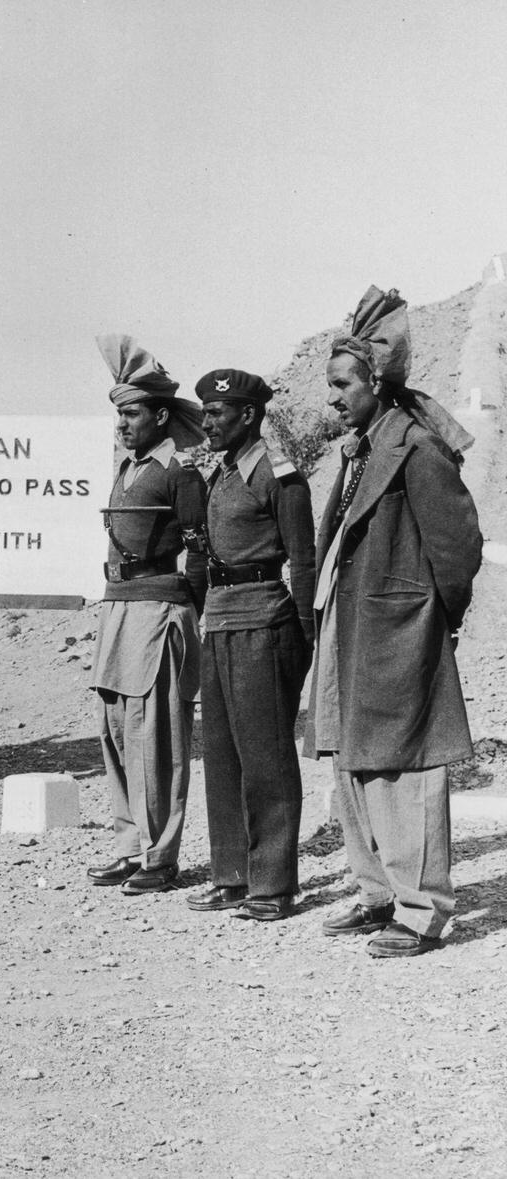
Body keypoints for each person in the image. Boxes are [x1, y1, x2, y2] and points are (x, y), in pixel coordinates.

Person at [305, 286, 481, 957]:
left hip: (400, 628)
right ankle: (377, 891)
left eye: (342, 383)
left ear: (377, 381)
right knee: (354, 758)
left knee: (407, 766)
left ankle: (425, 908)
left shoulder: (414, 447)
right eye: (329, 384)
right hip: (354, 626)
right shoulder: (362, 446)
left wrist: (433, 620)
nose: (332, 396)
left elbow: (458, 548)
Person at [187, 370, 314, 921]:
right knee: (222, 756)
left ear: (248, 415)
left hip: (265, 621)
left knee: (266, 758)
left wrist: (308, 635)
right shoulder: (221, 472)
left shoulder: (278, 475)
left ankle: (273, 886)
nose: (207, 422)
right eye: (205, 413)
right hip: (222, 619)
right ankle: (231, 876)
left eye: (217, 413)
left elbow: (302, 559)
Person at [88, 335, 208, 894]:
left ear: (161, 414)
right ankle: (130, 846)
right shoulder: (130, 468)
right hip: (119, 610)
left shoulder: (179, 472)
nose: (123, 423)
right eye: (119, 413)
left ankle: (162, 856)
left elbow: (200, 547)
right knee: (115, 728)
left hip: (158, 611)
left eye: (132, 412)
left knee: (154, 734)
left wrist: (188, 611)